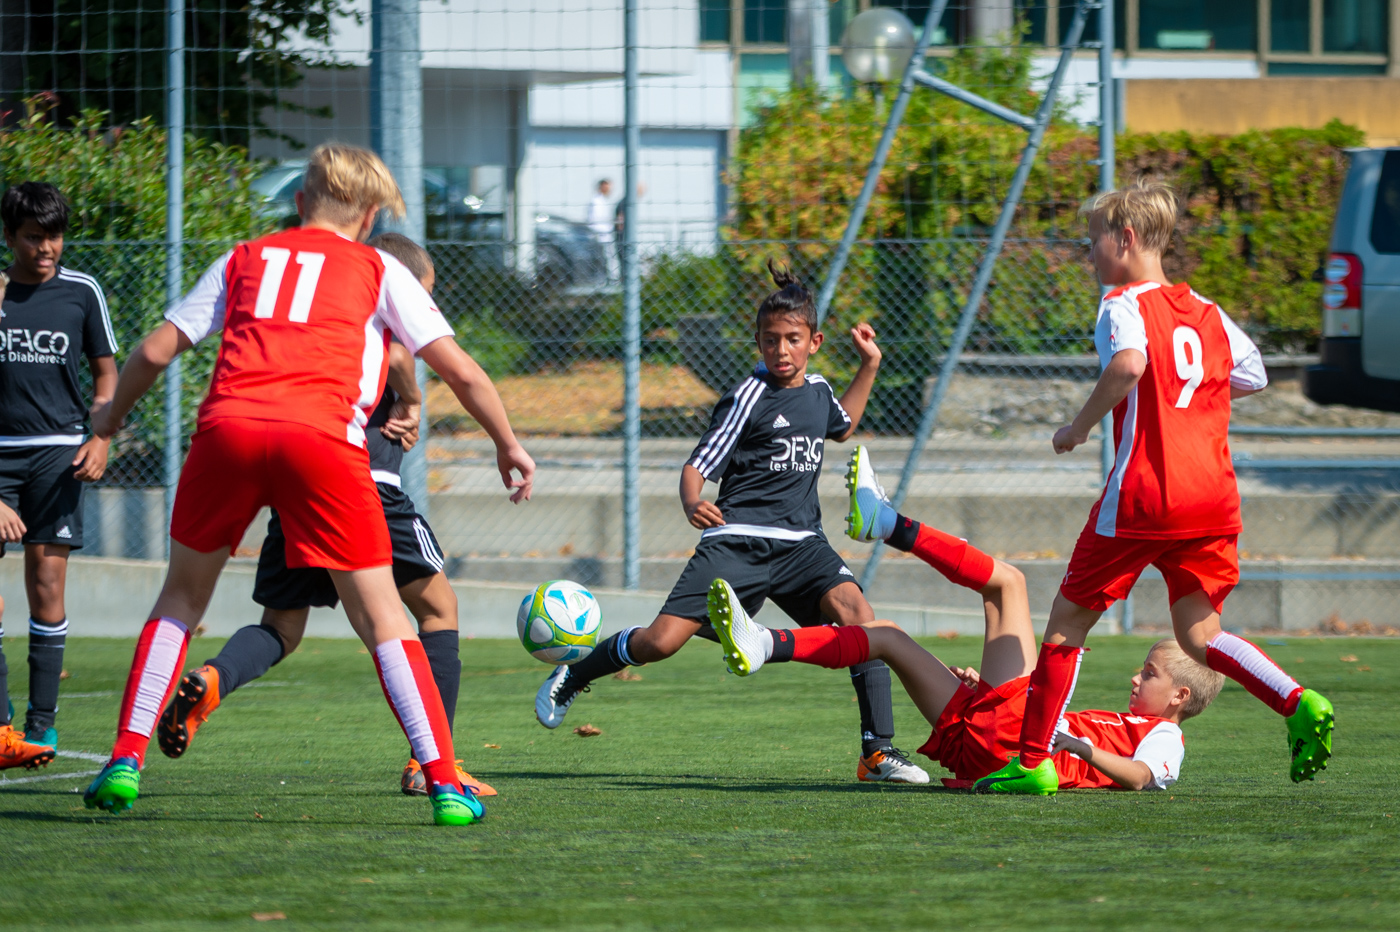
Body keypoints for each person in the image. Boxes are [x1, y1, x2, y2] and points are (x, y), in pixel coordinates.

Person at [81, 144, 535, 826]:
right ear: (371, 215)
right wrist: (507, 443)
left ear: (300, 201)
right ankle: (444, 782)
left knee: (180, 598)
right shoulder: (379, 266)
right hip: (322, 441)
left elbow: (153, 350)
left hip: (228, 430)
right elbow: (462, 370)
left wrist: (110, 420)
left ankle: (123, 761)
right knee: (384, 616)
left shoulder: (242, 258)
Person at [971, 180, 1333, 795]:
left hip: (1147, 494)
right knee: (1202, 636)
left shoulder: (1122, 303)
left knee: (1064, 627)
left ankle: (1032, 763)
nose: (1090, 255)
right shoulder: (1208, 311)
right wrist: (1190, 396)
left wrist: (1079, 427)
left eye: (1094, 241)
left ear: (1127, 238)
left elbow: (1131, 363)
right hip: (1214, 496)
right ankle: (1297, 701)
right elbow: (1253, 374)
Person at [535, 261, 930, 784]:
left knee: (860, 618)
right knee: (659, 643)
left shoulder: (818, 392)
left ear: (814, 343)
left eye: (792, 340)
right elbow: (698, 464)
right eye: (770, 340)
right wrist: (691, 500)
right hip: (738, 541)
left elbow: (843, 426)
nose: (781, 350)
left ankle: (876, 752)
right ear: (758, 343)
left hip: (803, 545)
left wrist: (870, 364)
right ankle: (575, 674)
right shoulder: (748, 396)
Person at [153, 232, 495, 799]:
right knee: (437, 609)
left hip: (296, 489)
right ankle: (432, 762)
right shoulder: (379, 313)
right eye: (424, 294)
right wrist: (412, 398)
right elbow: (397, 354)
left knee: (281, 627)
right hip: (364, 490)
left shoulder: (313, 319)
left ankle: (214, 677)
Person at [709, 445, 1226, 792]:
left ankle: (888, 523)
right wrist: (990, 691)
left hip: (1016, 748)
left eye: (1150, 674)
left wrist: (1077, 747)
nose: (1136, 678)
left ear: (1179, 697)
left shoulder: (1165, 737)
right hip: (987, 748)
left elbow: (1141, 778)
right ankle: (765, 643)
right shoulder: (1125, 722)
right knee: (886, 636)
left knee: (1008, 584)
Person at [0, 182, 118, 770]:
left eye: (54, 236)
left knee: (46, 587)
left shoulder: (82, 291)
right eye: (33, 237)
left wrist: (101, 437)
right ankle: (1, 728)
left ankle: (41, 728)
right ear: (9, 237)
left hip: (58, 455)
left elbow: (107, 376)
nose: (46, 248)